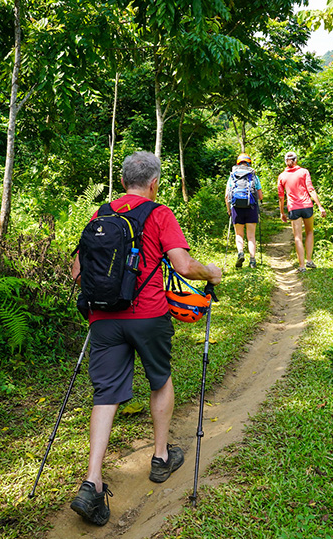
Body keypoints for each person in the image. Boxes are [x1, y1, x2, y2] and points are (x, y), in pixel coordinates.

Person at [69, 151, 222, 526]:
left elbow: (76, 271)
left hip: (103, 318)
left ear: (122, 182)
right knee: (160, 378)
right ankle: (159, 457)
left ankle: (92, 480)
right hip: (148, 315)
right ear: (154, 183)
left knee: (105, 394)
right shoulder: (160, 213)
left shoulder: (101, 214)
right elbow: (184, 265)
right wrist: (212, 273)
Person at [277, 151, 326, 273]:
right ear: (296, 160)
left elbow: (281, 197)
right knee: (309, 232)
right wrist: (320, 206)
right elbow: (311, 189)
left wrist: (282, 212)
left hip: (293, 208)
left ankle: (302, 266)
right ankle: (309, 260)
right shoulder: (304, 172)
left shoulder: (282, 176)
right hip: (307, 206)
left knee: (297, 237)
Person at [224, 153, 264, 268]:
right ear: (249, 163)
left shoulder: (232, 176)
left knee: (239, 234)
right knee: (251, 236)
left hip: (236, 208)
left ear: (238, 163)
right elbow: (260, 196)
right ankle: (252, 260)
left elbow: (227, 196)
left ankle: (240, 253)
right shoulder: (253, 176)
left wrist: (229, 210)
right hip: (251, 207)